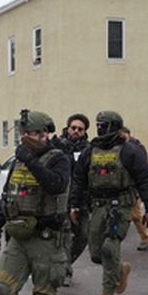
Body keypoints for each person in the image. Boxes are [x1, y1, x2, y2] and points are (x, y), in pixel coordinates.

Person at [0, 110, 70, 295]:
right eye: (23, 133)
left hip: (46, 239)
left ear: (44, 133)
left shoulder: (59, 159)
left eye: (31, 133)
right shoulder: (18, 161)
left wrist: (33, 162)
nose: (26, 138)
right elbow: (8, 194)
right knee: (2, 291)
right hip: (17, 237)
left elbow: (56, 185)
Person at [70, 111, 148, 295]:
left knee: (110, 247)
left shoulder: (130, 151)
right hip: (98, 205)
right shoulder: (90, 151)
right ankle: (119, 270)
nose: (100, 129)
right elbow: (79, 179)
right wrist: (74, 204)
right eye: (98, 125)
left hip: (121, 205)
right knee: (96, 253)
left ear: (115, 127)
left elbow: (144, 178)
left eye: (104, 125)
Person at [57, 113, 90, 285]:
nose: (76, 131)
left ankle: (67, 263)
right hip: (63, 198)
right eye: (73, 128)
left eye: (80, 129)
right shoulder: (58, 147)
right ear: (68, 128)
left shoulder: (89, 149)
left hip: (81, 200)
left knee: (83, 236)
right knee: (65, 236)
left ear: (84, 132)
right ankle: (65, 270)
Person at [120, 127, 148, 251]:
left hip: (133, 186)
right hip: (122, 187)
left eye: (123, 135)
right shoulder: (119, 148)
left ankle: (145, 237)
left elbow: (142, 170)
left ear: (128, 135)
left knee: (135, 214)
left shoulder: (137, 148)